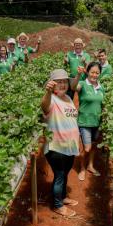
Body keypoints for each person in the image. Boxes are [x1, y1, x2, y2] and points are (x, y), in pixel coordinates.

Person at [41, 69, 80, 217]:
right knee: (59, 175)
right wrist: (48, 92)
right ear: (53, 85)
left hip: (70, 146)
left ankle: (63, 197)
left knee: (65, 174)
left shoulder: (68, 99)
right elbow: (44, 106)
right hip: (56, 146)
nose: (62, 84)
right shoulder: (51, 99)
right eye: (59, 82)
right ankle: (57, 205)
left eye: (64, 81)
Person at [71, 62, 105, 181]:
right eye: (92, 72)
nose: (94, 75)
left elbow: (103, 104)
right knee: (87, 148)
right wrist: (78, 75)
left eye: (97, 73)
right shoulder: (83, 84)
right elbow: (74, 87)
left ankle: (90, 165)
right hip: (84, 121)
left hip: (97, 122)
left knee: (94, 145)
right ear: (88, 72)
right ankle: (82, 168)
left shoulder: (101, 87)